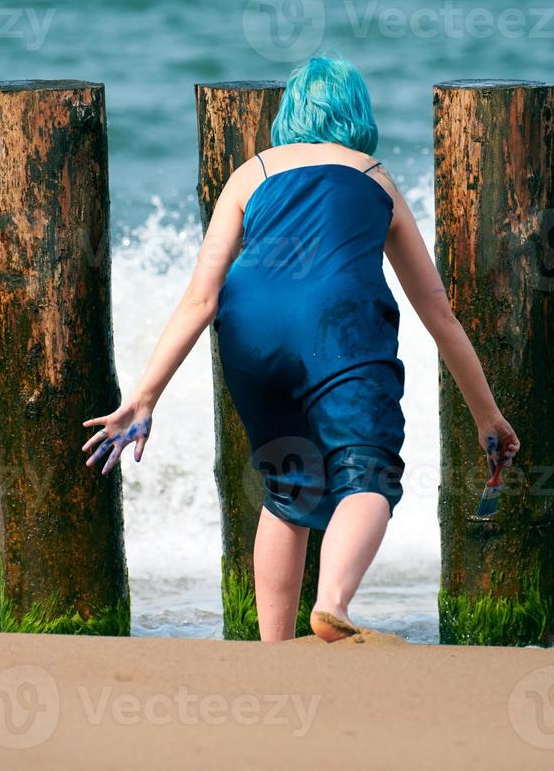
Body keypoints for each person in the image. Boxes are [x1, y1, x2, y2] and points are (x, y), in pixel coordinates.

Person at [81, 56, 519, 642]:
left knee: (290, 486)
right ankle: (332, 604)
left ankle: (274, 648)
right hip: (338, 323)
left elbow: (200, 300)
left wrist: (143, 397)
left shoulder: (250, 173)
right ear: (357, 114)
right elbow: (436, 312)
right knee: (369, 474)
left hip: (249, 327)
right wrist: (486, 414)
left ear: (290, 114)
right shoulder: (372, 174)